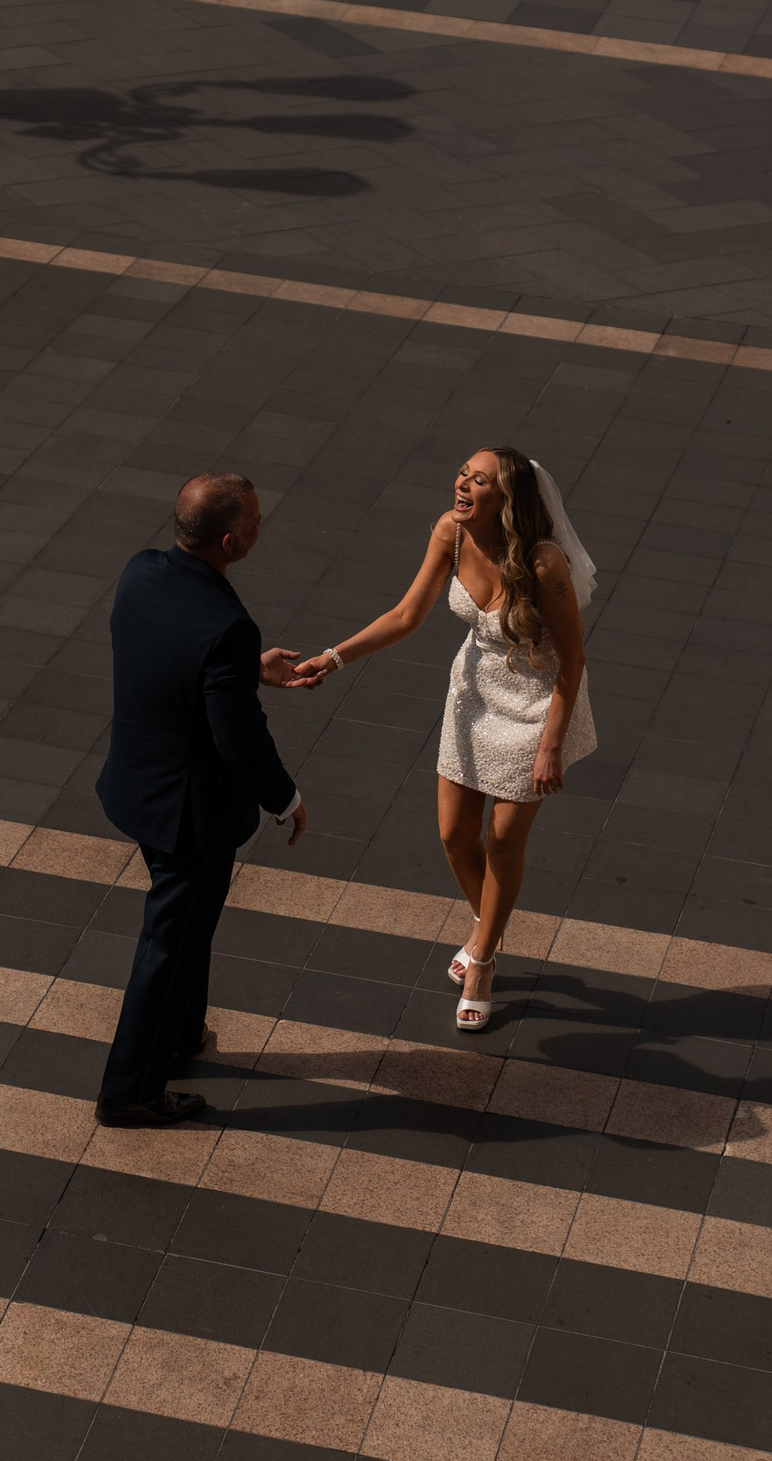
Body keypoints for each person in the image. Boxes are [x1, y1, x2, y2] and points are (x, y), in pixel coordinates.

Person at [290, 449, 597, 1033]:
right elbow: (408, 614)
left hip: (535, 705)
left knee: (504, 841)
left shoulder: (544, 563)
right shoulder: (450, 532)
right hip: (474, 697)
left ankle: (482, 959)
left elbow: (573, 658)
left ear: (506, 501)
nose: (462, 484)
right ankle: (490, 924)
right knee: (455, 837)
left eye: (479, 481)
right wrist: (333, 658)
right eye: (462, 472)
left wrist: (552, 744)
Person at [93, 472, 314, 1128]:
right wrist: (286, 796)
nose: (259, 526)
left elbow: (170, 655)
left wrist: (244, 671)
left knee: (188, 923)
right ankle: (129, 1090)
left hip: (141, 788)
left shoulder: (140, 573)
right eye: (254, 520)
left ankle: (183, 1031)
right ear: (230, 540)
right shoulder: (226, 625)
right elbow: (237, 738)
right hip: (190, 814)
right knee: (169, 938)